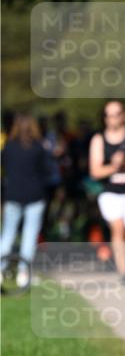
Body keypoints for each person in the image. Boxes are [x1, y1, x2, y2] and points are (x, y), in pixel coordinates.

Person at [88, 100, 125, 282]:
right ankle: (123, 271)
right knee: (117, 228)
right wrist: (114, 166)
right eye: (108, 115)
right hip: (110, 192)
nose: (113, 119)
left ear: (124, 115)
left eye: (116, 114)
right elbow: (95, 171)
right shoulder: (98, 139)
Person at [0, 114, 51, 288]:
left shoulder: (8, 147)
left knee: (7, 234)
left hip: (13, 195)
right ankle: (23, 273)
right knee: (29, 235)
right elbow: (47, 171)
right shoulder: (39, 148)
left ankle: (1, 269)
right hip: (34, 195)